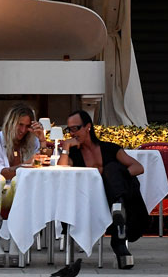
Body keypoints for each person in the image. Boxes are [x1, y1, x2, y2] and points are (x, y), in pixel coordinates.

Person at [58, 110, 145, 270]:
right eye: (69, 129)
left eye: (75, 128)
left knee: (112, 169)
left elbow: (138, 167)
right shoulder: (74, 153)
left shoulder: (110, 148)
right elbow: (62, 171)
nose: (72, 133)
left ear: (88, 127)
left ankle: (118, 213)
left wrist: (118, 175)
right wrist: (65, 147)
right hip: (90, 200)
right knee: (111, 170)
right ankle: (118, 228)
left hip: (121, 194)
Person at [0, 104, 48, 267]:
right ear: (10, 123)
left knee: (20, 181)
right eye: (20, 125)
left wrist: (42, 139)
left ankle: (16, 240)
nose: (23, 130)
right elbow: (1, 172)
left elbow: (43, 167)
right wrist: (27, 165)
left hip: (17, 192)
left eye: (26, 126)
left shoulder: (32, 143)